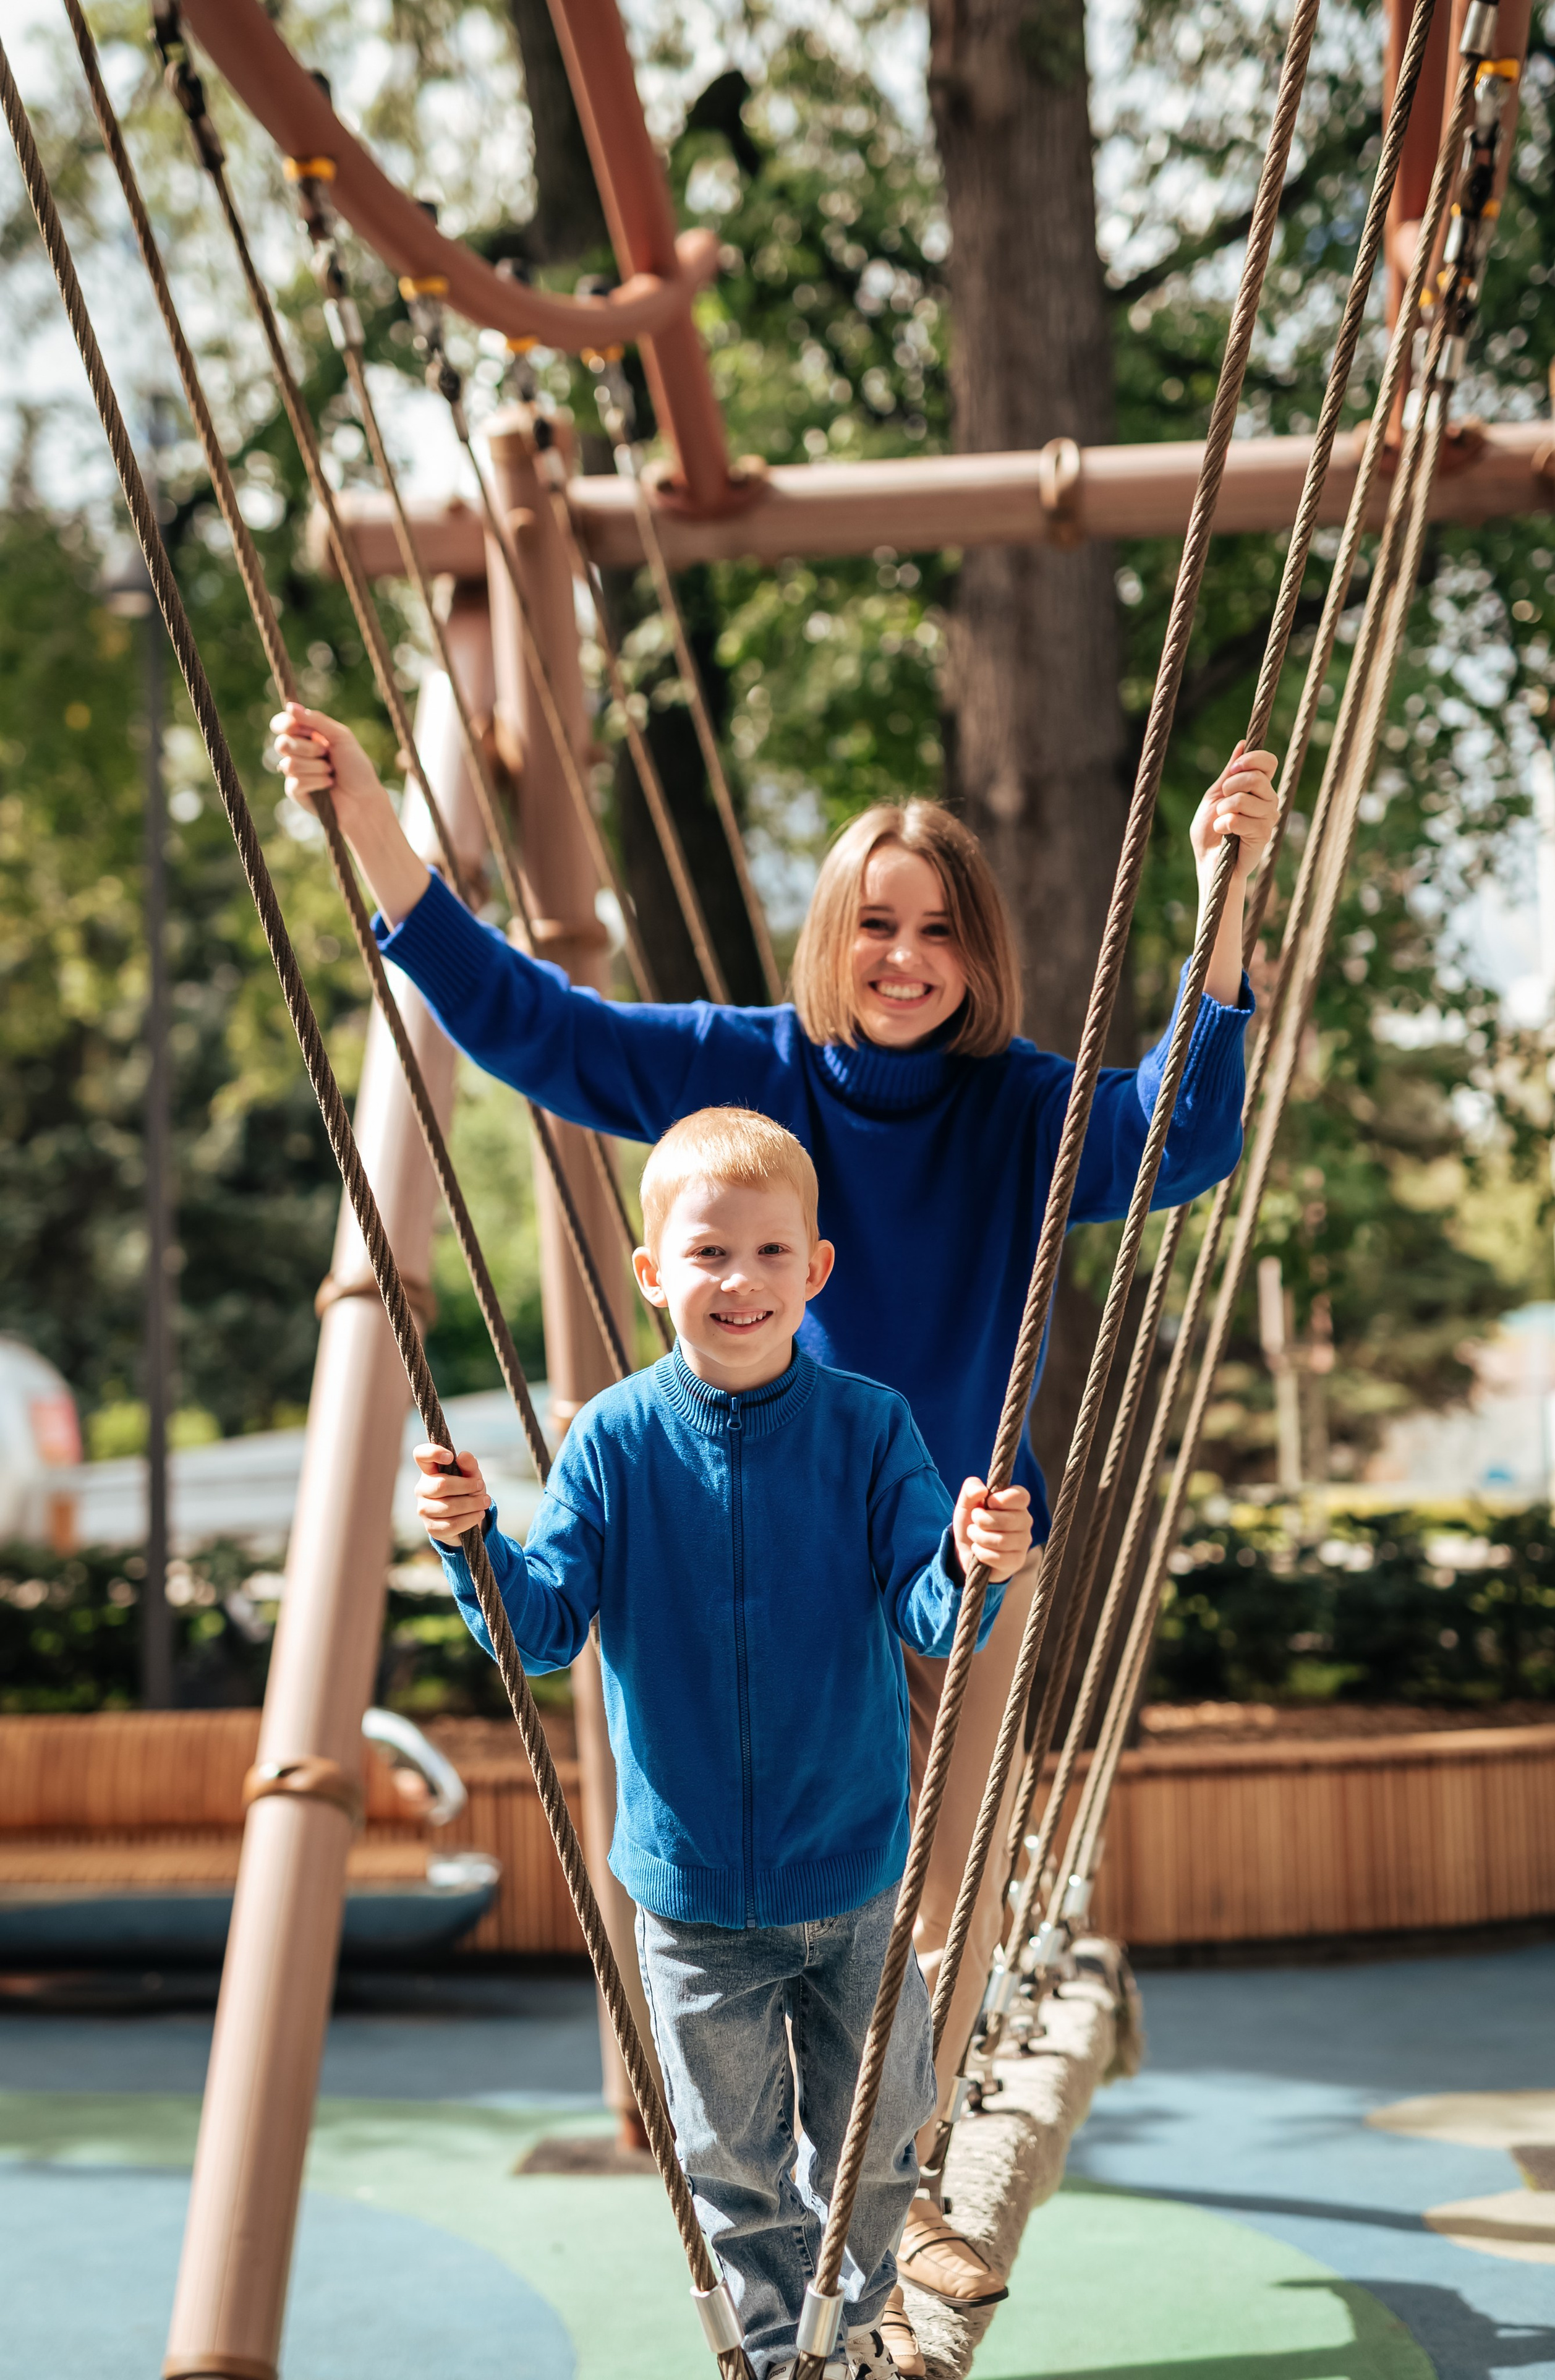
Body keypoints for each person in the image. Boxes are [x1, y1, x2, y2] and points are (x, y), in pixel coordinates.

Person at [274, 697, 1275, 2360]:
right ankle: (790, 2243)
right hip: (771, 1552)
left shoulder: (1015, 1107)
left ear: (978, 956)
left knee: (930, 1895)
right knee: (753, 1893)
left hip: (959, 1549)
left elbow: (1184, 1132)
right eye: (876, 923)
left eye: (939, 930)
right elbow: (536, 1024)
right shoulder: (749, 1073)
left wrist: (1222, 897)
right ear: (831, 937)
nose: (904, 958)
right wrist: (377, 823)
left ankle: (895, 2180)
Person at [415, 1108, 1034, 2380]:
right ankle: (771, 2348)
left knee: (877, 2141)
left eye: (767, 1252)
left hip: (854, 1871)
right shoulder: (613, 1440)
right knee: (729, 2161)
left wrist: (975, 1561)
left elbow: (932, 1613)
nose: (738, 1280)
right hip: (691, 1893)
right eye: (707, 1252)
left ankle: (854, 2324)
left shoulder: (869, 1427)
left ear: (814, 1268)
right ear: (654, 1274)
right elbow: (544, 1627)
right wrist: (474, 1545)